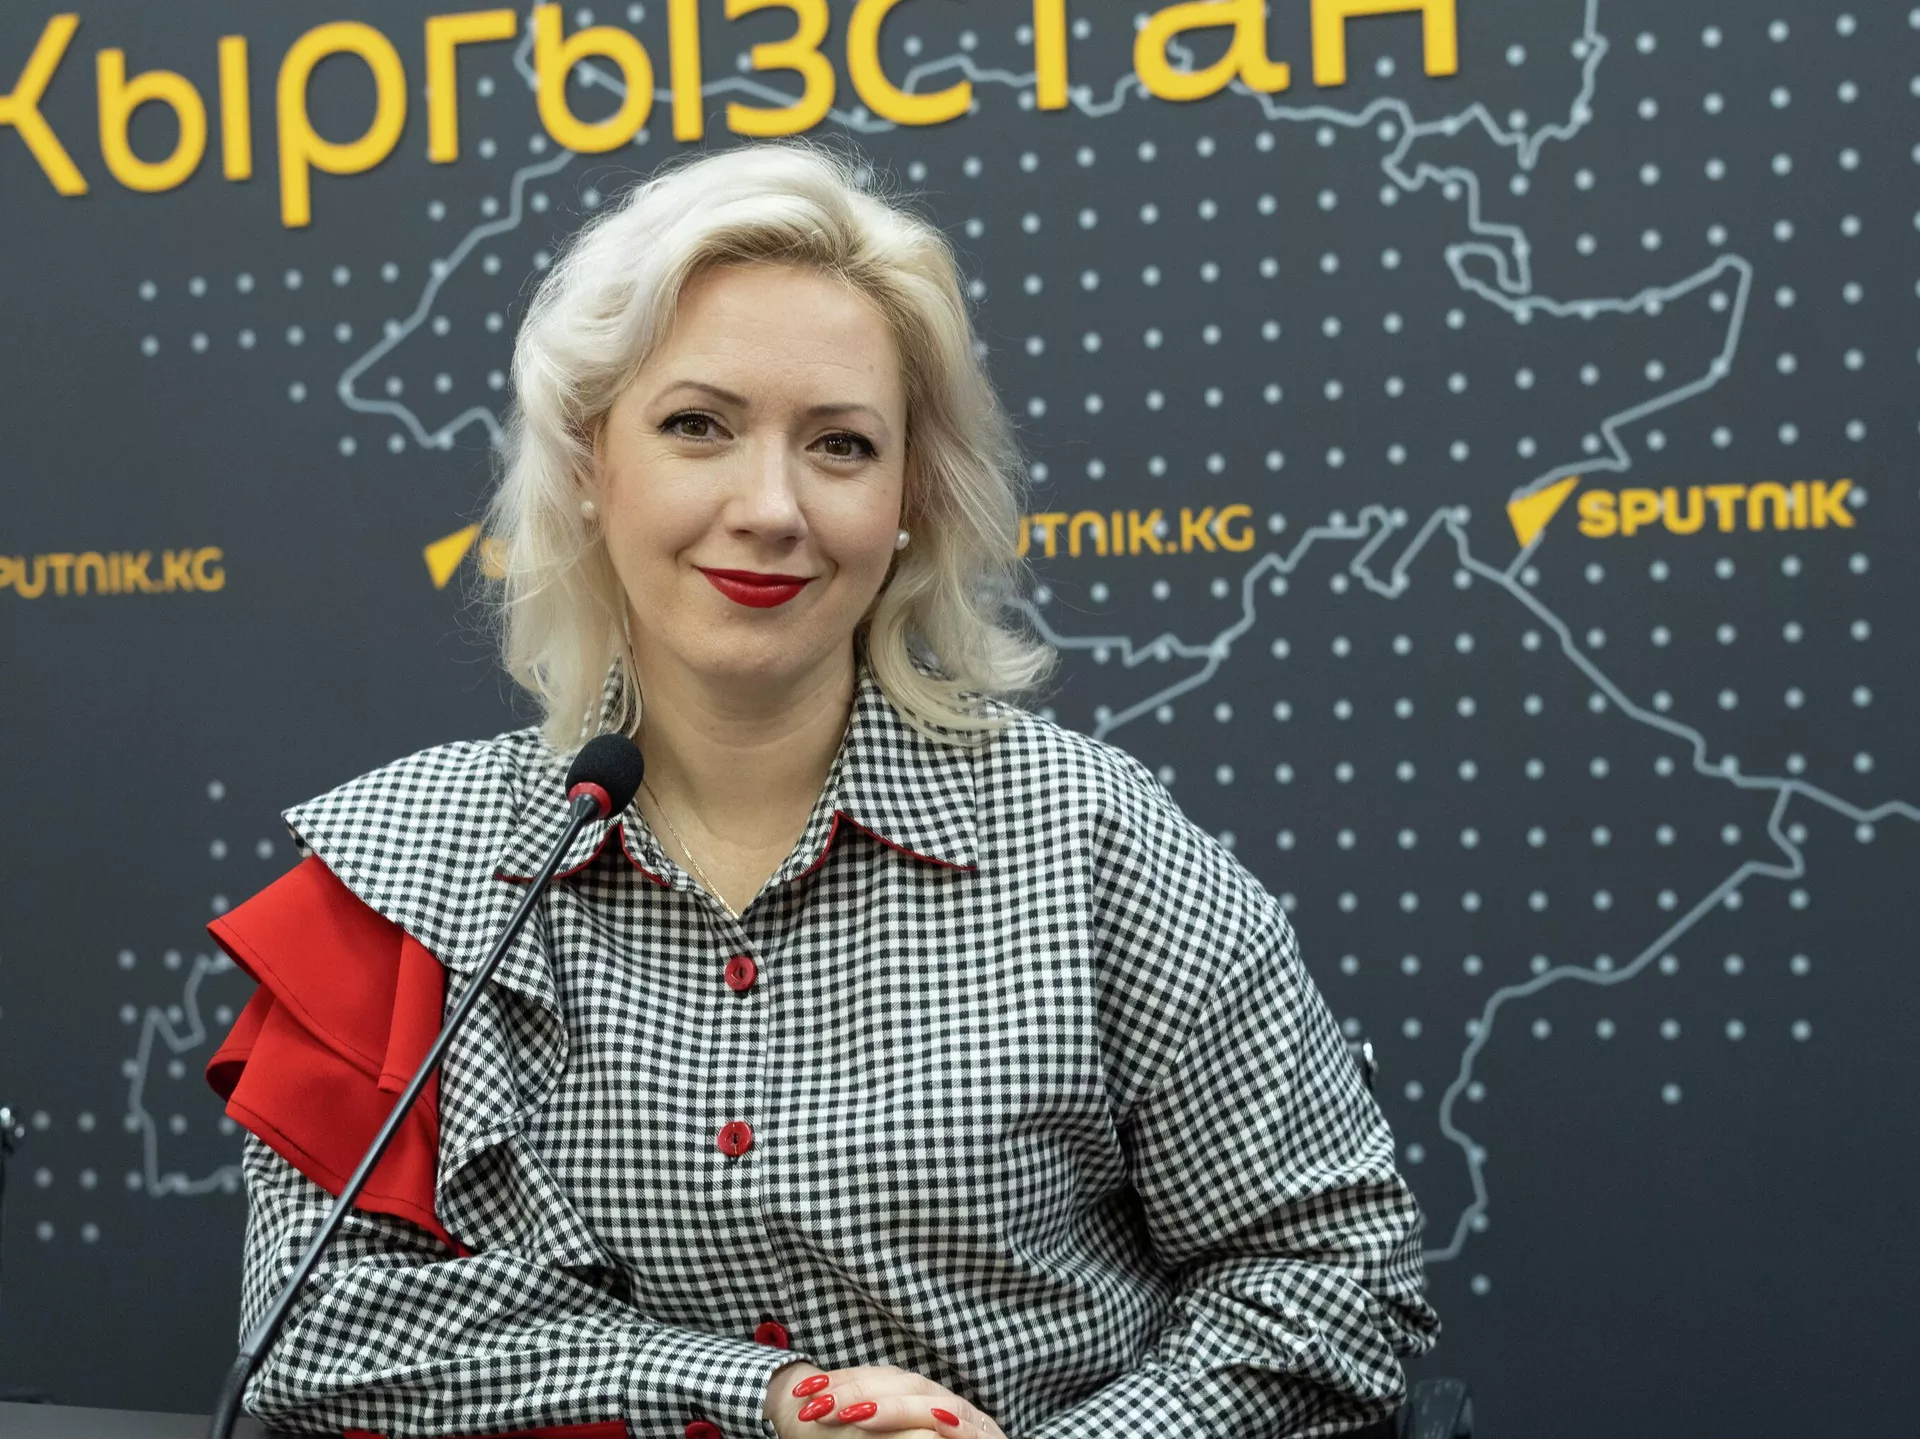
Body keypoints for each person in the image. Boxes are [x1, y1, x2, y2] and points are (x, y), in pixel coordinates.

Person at [203, 140, 1440, 1439]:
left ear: (908, 498)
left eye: (841, 445)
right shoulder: (410, 866)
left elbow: (1336, 1278)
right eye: (697, 425)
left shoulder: (1089, 838)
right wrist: (765, 1399)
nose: (771, 507)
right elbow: (319, 1331)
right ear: (587, 461)